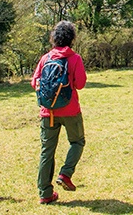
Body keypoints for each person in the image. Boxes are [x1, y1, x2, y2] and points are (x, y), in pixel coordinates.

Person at [31, 20, 87, 205]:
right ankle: (65, 173)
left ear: (54, 38)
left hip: (48, 111)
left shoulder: (45, 58)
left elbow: (34, 83)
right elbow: (80, 84)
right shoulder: (75, 58)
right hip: (70, 110)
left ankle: (45, 193)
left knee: (47, 151)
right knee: (77, 141)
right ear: (72, 38)